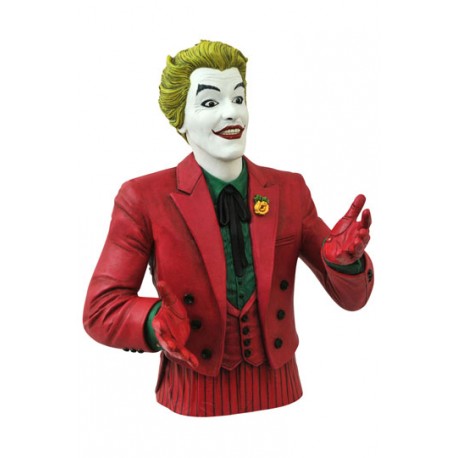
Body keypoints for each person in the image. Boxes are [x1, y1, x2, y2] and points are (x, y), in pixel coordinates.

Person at [83, 40, 374, 417]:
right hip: (192, 397)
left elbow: (352, 300)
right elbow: (101, 308)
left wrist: (345, 264)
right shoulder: (143, 198)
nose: (231, 113)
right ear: (180, 119)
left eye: (238, 98)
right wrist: (154, 322)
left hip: (283, 396)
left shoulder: (289, 190)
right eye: (210, 102)